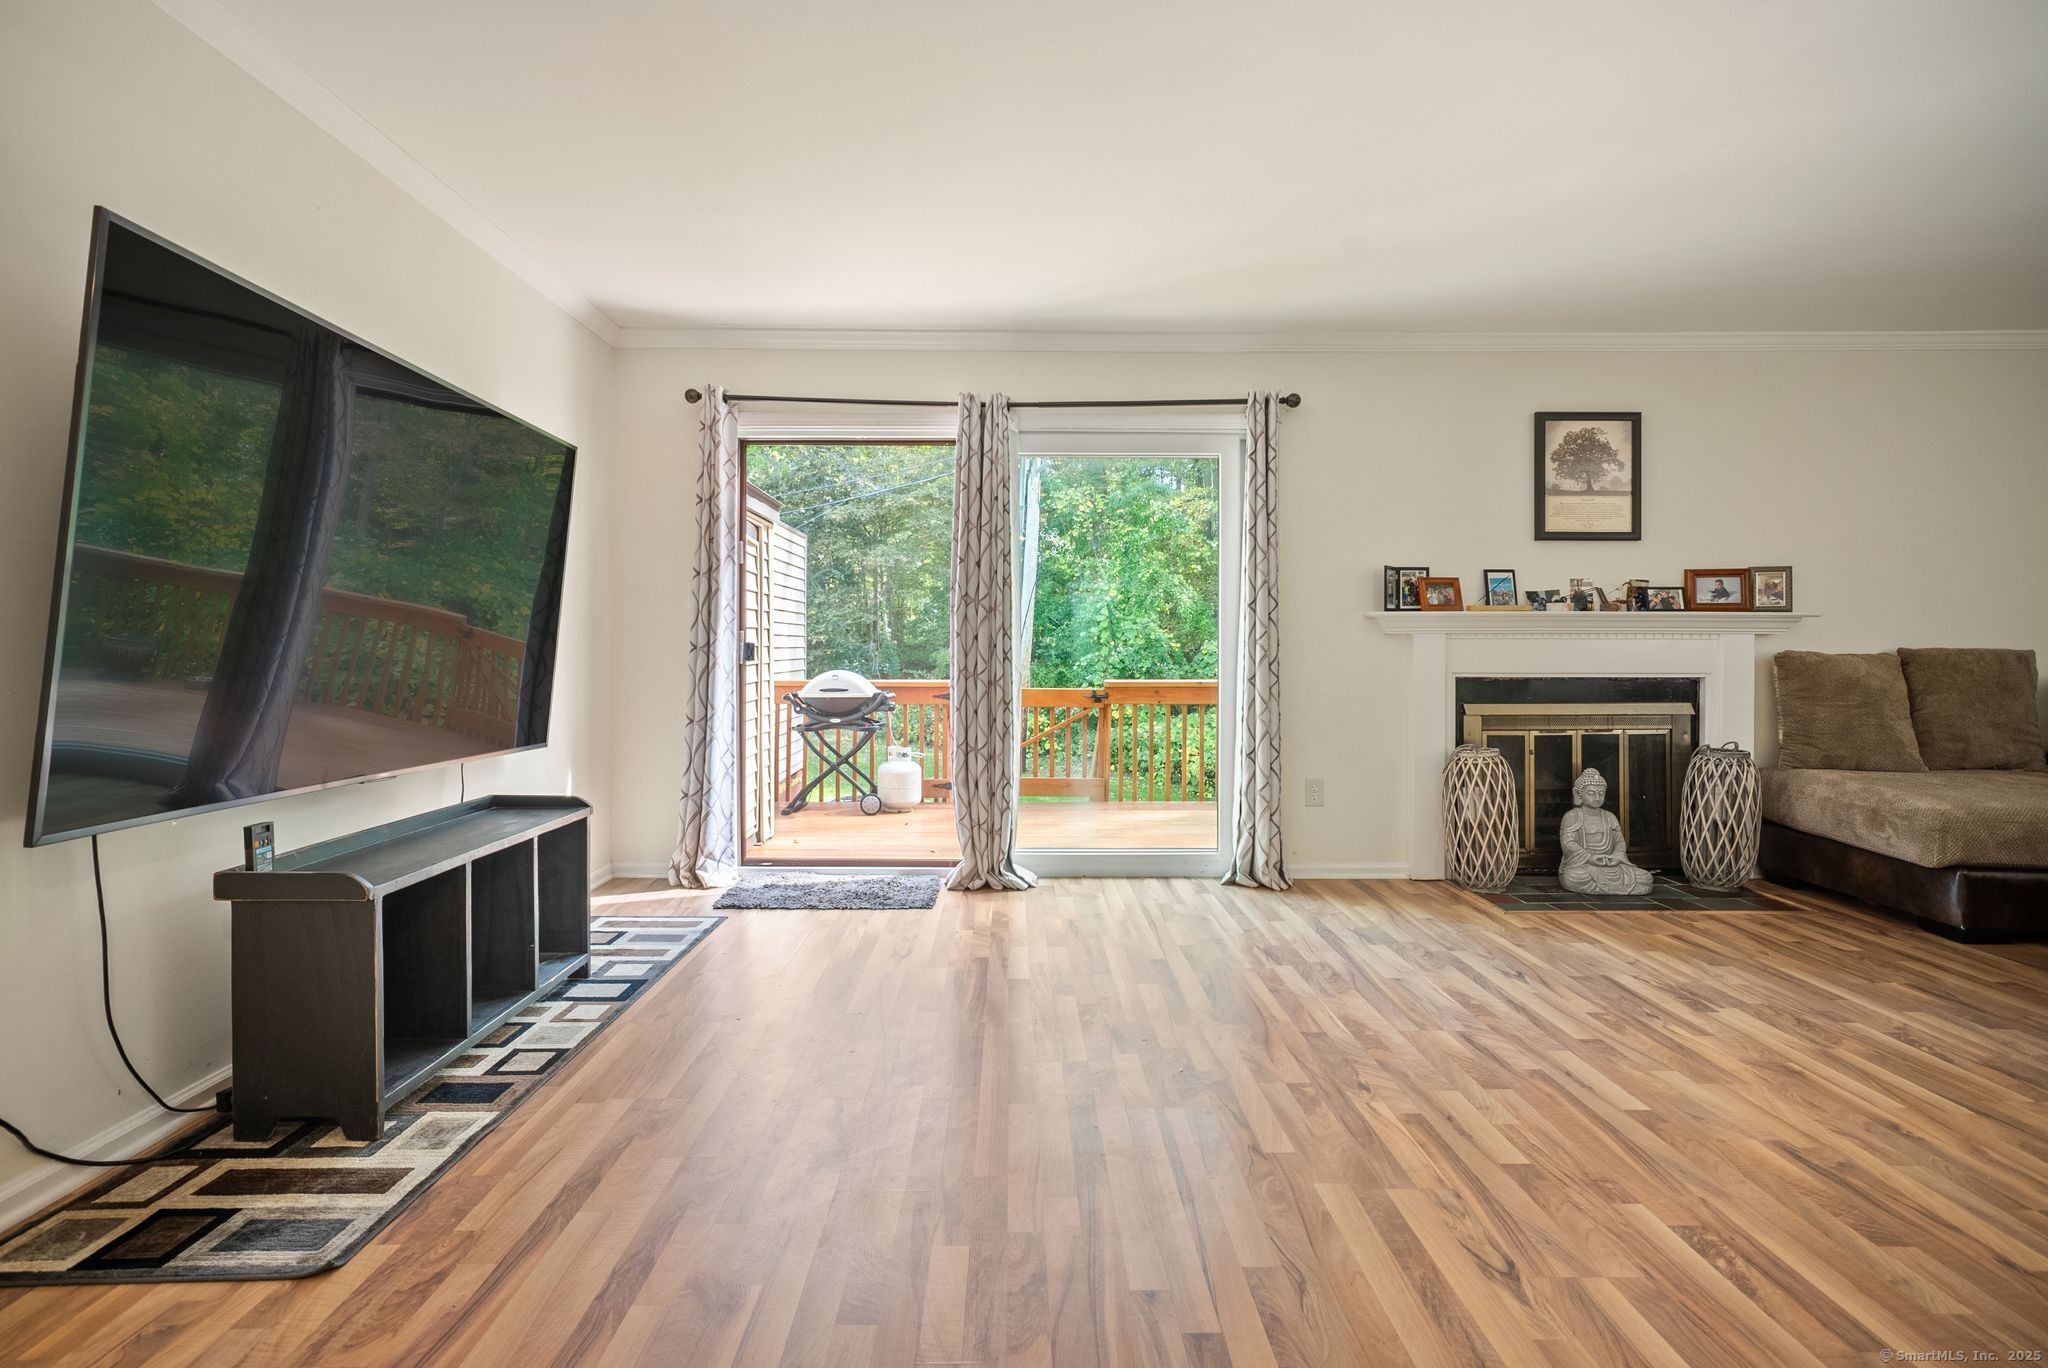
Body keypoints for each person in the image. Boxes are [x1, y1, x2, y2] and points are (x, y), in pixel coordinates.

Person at [1557, 768, 1655, 895]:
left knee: (1645, 877)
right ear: (1578, 794)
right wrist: (1590, 857)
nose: (1597, 798)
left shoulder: (1609, 817)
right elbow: (1568, 843)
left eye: (1601, 793)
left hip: (1611, 865)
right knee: (1574, 876)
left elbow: (1619, 842)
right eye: (1591, 793)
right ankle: (1616, 888)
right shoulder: (1572, 816)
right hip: (1584, 865)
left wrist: (1616, 857)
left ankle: (1603, 888)